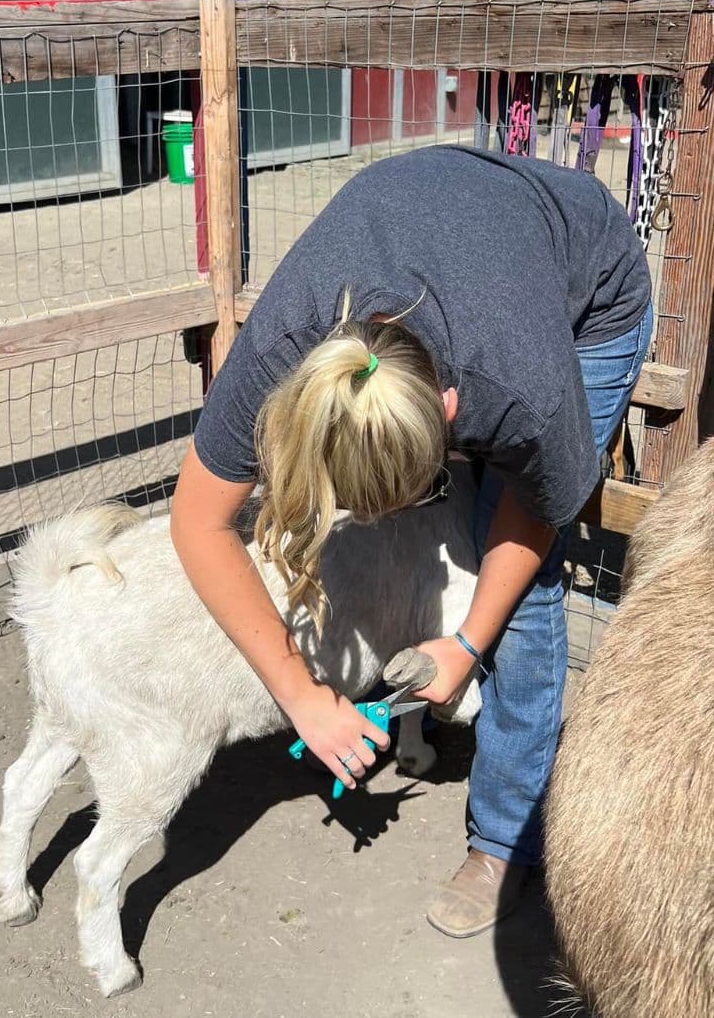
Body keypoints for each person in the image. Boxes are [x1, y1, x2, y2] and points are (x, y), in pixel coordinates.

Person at [170, 144, 653, 937]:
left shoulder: (519, 388)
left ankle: (505, 840)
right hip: (448, 240)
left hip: (589, 289)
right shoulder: (281, 353)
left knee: (525, 591)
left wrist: (464, 644)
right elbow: (197, 521)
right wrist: (303, 698)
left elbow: (532, 521)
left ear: (455, 413)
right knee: (452, 524)